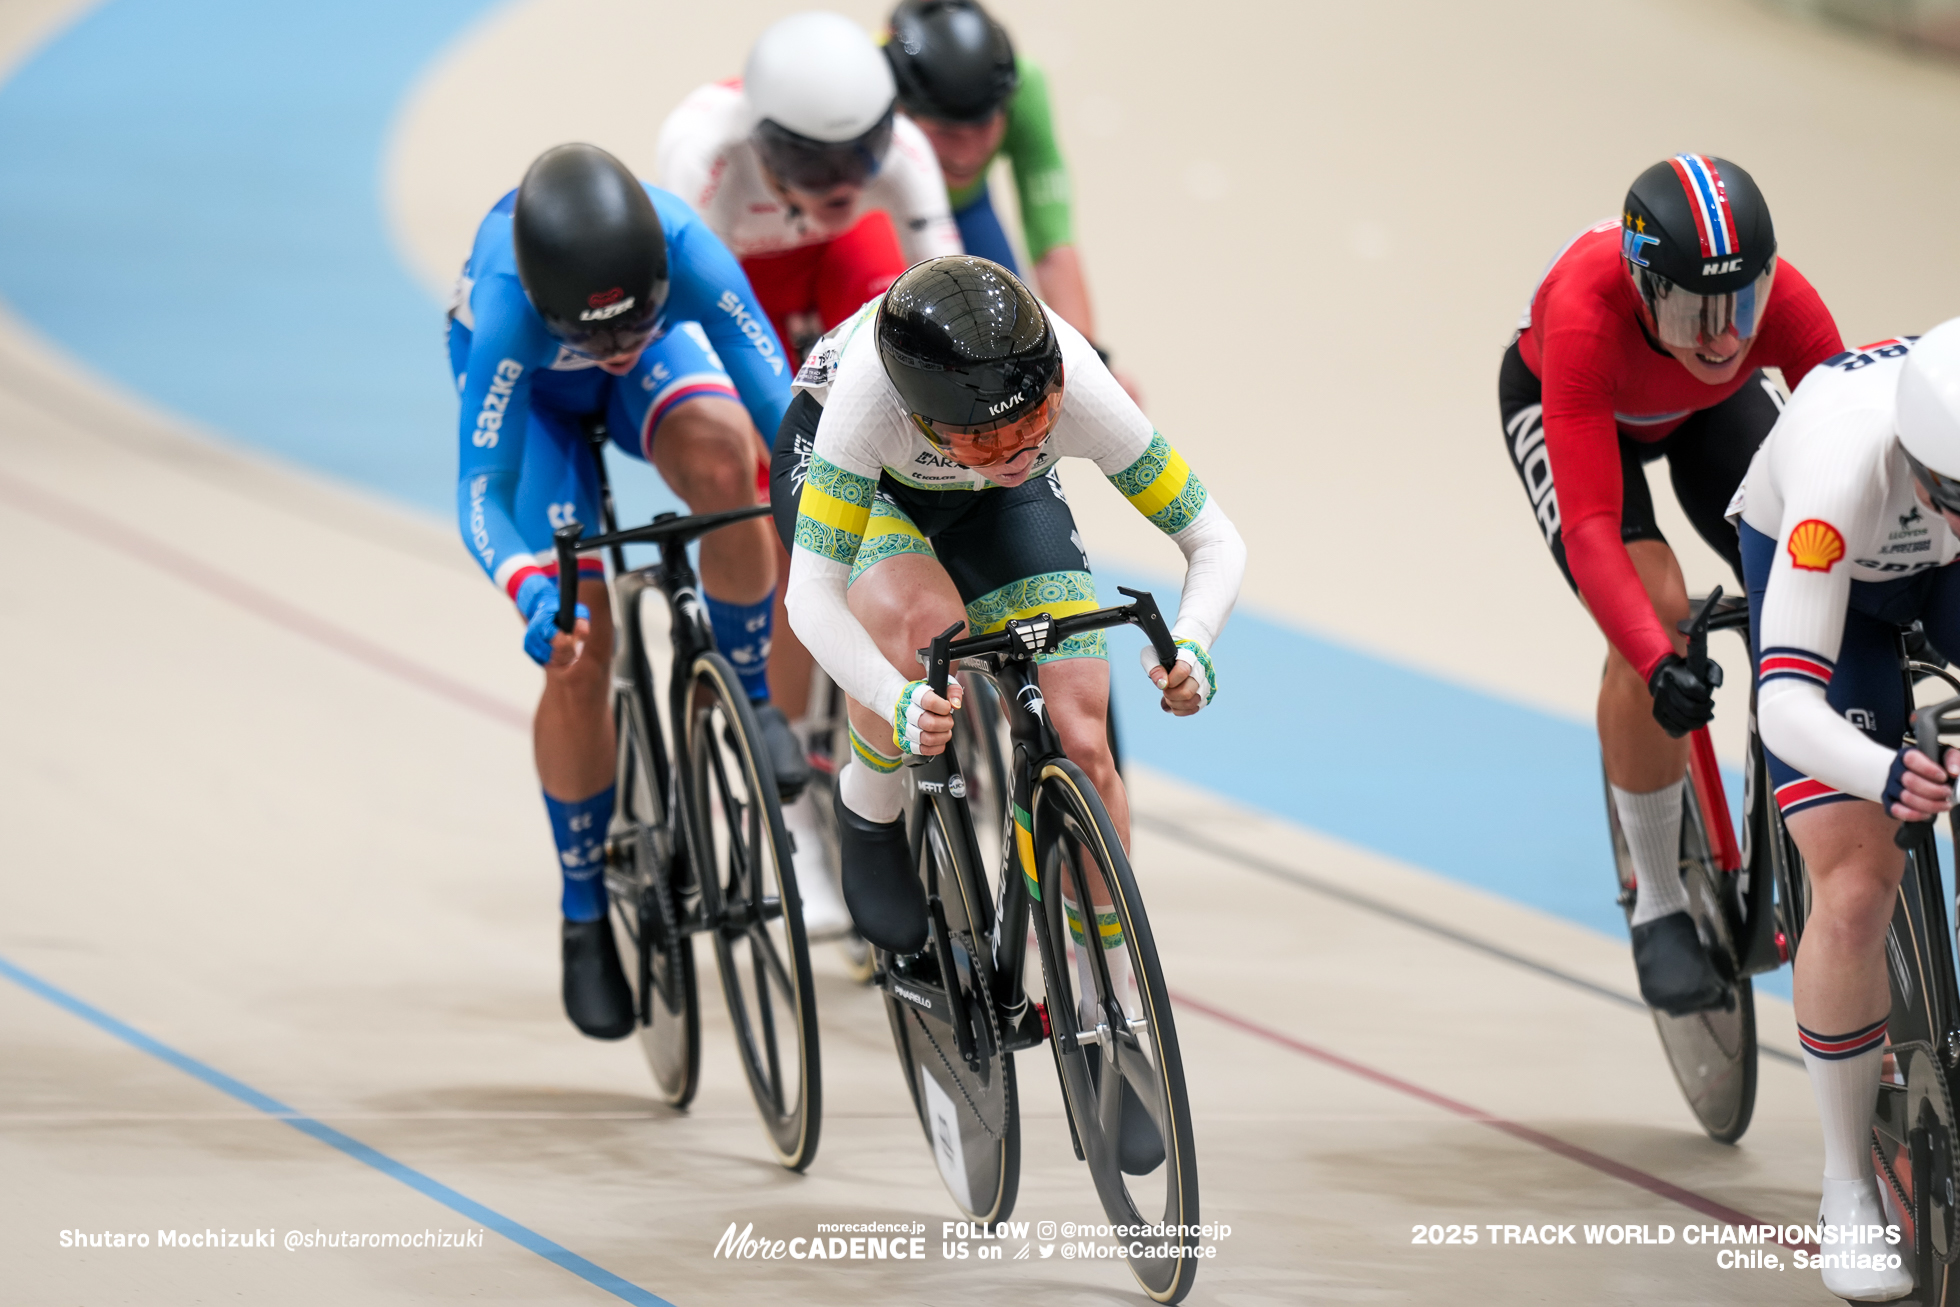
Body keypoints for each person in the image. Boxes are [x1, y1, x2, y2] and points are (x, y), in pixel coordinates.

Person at [772, 255, 1244, 1003]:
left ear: (1052, 386)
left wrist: (1193, 641)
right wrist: (896, 701)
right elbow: (810, 598)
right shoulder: (866, 405)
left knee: (1082, 741)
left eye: (1033, 426)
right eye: (987, 440)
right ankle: (870, 801)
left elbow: (1213, 537)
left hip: (993, 502)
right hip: (870, 487)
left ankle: (1109, 997)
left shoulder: (1077, 385)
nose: (1018, 452)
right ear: (922, 421)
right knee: (927, 630)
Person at [448, 143, 805, 1040]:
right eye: (593, 337)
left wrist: (826, 518)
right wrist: (533, 590)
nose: (614, 351)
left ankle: (751, 691)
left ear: (658, 282)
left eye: (633, 323)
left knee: (729, 464)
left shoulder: (688, 252)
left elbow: (784, 417)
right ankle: (582, 909)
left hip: (649, 359)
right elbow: (481, 493)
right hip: (536, 401)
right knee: (579, 648)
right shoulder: (506, 309)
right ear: (546, 310)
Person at [1500, 155, 1843, 1013]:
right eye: (1696, 311)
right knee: (1654, 611)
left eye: (1741, 306)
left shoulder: (1782, 307)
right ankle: (1657, 900)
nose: (1723, 337)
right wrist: (1656, 662)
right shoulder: (1585, 314)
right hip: (1571, 404)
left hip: (1702, 410)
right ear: (1645, 289)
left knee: (1811, 555)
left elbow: (1847, 452)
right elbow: (1590, 528)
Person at [1732, 322, 1960, 1302]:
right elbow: (1786, 702)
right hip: (1835, 580)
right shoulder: (1838, 475)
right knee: (1858, 884)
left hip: (1937, 567)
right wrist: (1882, 771)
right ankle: (1845, 1188)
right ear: (1923, 470)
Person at [657, 10, 961, 364]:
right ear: (761, 145)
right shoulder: (705, 151)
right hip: (749, 277)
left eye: (863, 155)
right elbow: (701, 316)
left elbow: (950, 298)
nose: (842, 186)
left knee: (894, 338)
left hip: (842, 256)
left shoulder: (905, 149)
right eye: (811, 165)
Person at [883, 0, 1130, 391]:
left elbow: (1052, 246)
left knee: (1016, 347)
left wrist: (1093, 371)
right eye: (946, 131)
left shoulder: (1025, 87)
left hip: (969, 212)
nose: (967, 153)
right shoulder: (869, 88)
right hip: (881, 217)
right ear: (901, 109)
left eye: (983, 125)